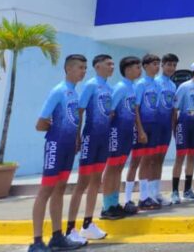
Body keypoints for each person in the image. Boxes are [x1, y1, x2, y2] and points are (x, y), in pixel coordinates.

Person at [29, 54, 88, 252]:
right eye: (80, 67)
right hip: (55, 146)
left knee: (60, 189)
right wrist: (56, 131)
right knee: (46, 190)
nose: (83, 71)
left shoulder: (74, 93)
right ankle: (37, 242)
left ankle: (57, 236)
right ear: (69, 69)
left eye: (84, 68)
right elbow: (39, 124)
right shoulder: (58, 91)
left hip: (68, 148)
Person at [65, 54, 114, 245]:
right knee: (82, 182)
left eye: (112, 64)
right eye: (108, 64)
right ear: (98, 66)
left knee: (96, 181)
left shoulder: (109, 88)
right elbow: (80, 111)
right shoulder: (91, 85)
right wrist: (77, 136)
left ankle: (88, 225)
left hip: (104, 139)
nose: (111, 67)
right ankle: (70, 228)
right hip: (90, 139)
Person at [100, 56, 144, 220]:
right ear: (127, 69)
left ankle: (114, 203)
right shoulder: (120, 87)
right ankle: (106, 207)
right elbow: (109, 111)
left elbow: (133, 111)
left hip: (127, 132)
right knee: (111, 168)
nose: (139, 70)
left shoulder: (132, 87)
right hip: (116, 132)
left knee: (119, 168)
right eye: (137, 67)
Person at [126, 53, 162, 212]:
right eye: (154, 64)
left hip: (154, 126)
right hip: (142, 126)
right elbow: (136, 108)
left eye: (158, 64)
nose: (157, 67)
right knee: (135, 162)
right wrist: (140, 129)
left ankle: (144, 197)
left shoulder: (157, 84)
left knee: (148, 161)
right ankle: (127, 199)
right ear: (146, 66)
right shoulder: (140, 84)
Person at [171, 60, 194, 204]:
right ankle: (175, 192)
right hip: (184, 123)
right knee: (180, 157)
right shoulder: (184, 87)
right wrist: (175, 128)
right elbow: (175, 109)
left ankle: (187, 190)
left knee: (192, 157)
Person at [152, 53, 179, 205]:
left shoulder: (173, 85)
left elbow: (173, 109)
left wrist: (173, 128)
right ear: (162, 65)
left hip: (166, 127)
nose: (171, 68)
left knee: (160, 160)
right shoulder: (155, 82)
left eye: (174, 65)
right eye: (169, 64)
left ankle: (156, 193)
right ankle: (148, 193)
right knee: (151, 160)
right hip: (154, 127)